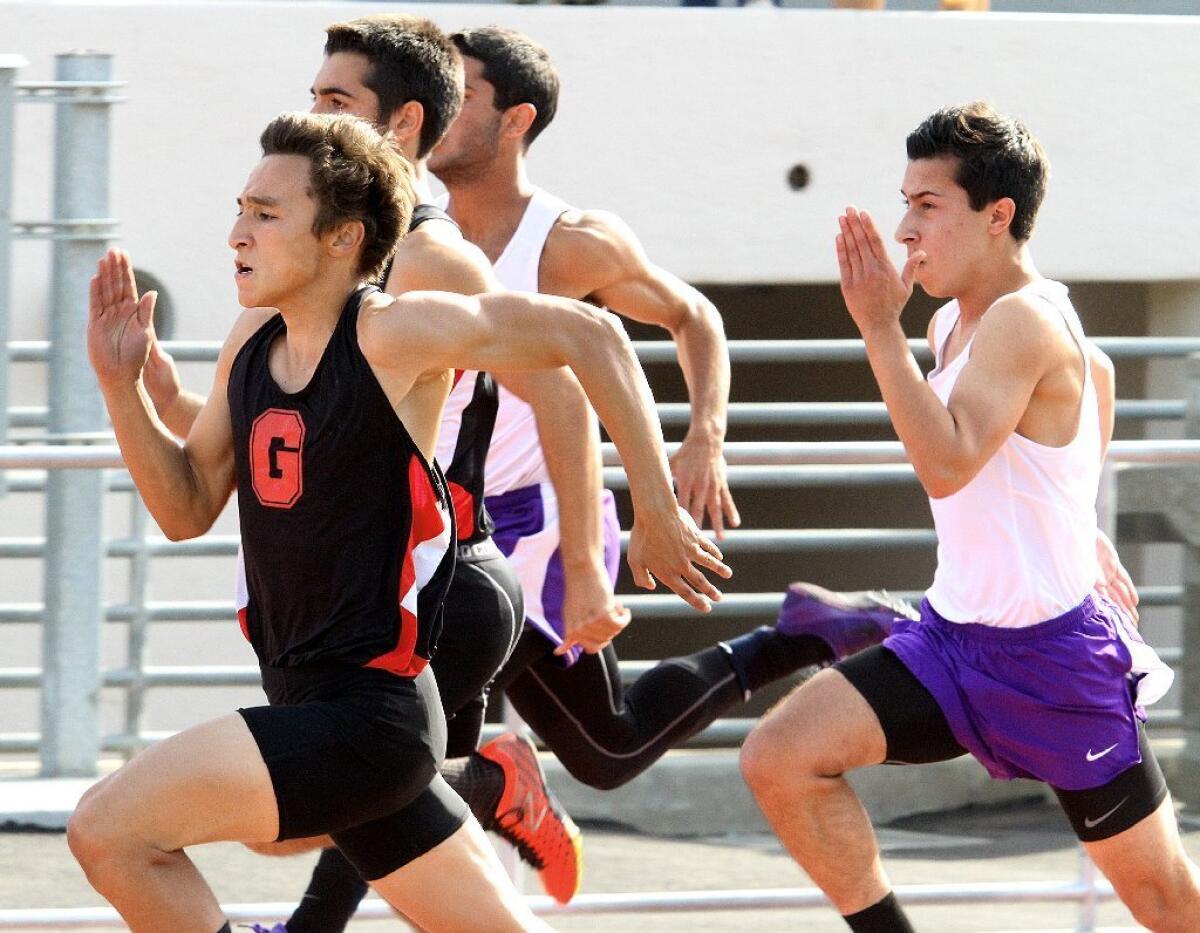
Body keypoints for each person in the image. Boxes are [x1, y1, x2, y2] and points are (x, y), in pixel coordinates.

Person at [67, 110, 729, 932]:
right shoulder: (252, 343)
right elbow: (185, 505)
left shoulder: (388, 332)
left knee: (108, 830)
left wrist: (655, 507)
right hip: (322, 702)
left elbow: (588, 331)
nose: (238, 232)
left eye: (266, 215)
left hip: (366, 718)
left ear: (344, 237)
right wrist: (120, 386)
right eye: (240, 208)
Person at [411, 18, 909, 886]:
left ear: (516, 119)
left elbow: (694, 317)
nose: (440, 109)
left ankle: (783, 640)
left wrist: (702, 435)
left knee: (420, 746)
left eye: (463, 93)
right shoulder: (414, 230)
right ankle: (789, 637)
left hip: (536, 527)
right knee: (601, 746)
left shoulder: (569, 240)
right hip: (440, 526)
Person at [140, 14, 613, 915]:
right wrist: (154, 398)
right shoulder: (288, 288)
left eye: (333, 99)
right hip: (345, 581)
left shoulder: (432, 259)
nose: (311, 109)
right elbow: (273, 439)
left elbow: (562, 382)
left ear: (398, 127)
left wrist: (588, 559)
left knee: (323, 801)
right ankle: (476, 779)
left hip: (443, 580)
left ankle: (478, 779)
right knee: (354, 810)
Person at [740, 102, 1199, 932]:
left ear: (998, 217)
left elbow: (948, 465)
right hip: (952, 639)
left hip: (1054, 662)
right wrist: (1078, 523)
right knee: (780, 757)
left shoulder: (1024, 318)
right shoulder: (955, 319)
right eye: (905, 200)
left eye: (927, 205)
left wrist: (880, 330)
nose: (904, 229)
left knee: (1166, 901)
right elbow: (1086, 387)